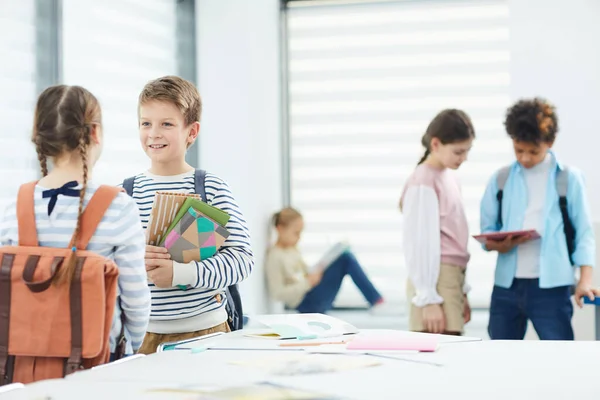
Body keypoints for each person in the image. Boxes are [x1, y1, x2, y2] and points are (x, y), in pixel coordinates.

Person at [0, 85, 151, 358]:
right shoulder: (118, 207)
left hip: (20, 368)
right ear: (94, 132)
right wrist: (131, 348)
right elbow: (136, 301)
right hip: (98, 367)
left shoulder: (14, 208)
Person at [124, 76, 254, 354]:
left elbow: (242, 260)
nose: (153, 133)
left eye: (166, 124)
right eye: (146, 123)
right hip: (141, 338)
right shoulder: (124, 195)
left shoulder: (210, 187)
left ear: (191, 132)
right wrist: (134, 261)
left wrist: (180, 273)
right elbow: (105, 270)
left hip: (207, 334)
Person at [480, 97, 600, 340]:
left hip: (552, 289)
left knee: (559, 356)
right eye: (518, 150)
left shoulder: (569, 179)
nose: (524, 158)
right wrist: (497, 244)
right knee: (499, 358)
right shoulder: (500, 179)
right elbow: (487, 232)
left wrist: (585, 280)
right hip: (506, 287)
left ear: (550, 142)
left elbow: (584, 234)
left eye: (533, 152)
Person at [399, 109, 475, 335]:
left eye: (467, 151)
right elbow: (419, 243)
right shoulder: (423, 180)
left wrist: (463, 292)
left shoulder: (449, 177)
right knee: (439, 352)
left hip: (449, 278)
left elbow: (454, 238)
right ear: (435, 144)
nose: (463, 158)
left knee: (453, 351)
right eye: (458, 152)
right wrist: (428, 298)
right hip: (434, 280)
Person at [265, 207, 383, 314]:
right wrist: (308, 283)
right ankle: (376, 300)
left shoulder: (293, 249)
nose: (299, 237)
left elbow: (303, 272)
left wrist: (317, 270)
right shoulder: (275, 256)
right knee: (346, 259)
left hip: (312, 290)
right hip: (307, 303)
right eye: (296, 233)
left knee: (344, 256)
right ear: (280, 229)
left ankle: (376, 300)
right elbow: (277, 293)